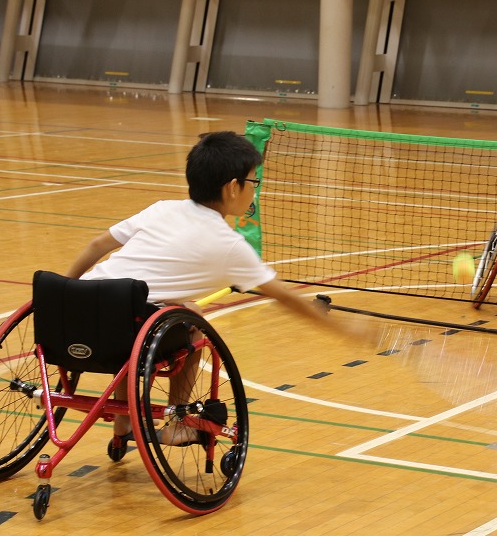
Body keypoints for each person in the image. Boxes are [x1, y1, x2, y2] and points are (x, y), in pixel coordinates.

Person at [66, 130, 352, 449]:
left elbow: (96, 246)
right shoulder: (229, 246)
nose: (254, 192)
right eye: (253, 183)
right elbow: (283, 296)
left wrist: (65, 291)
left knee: (173, 311)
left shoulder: (162, 208)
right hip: (130, 333)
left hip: (76, 322)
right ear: (233, 188)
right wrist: (342, 328)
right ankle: (176, 424)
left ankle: (124, 418)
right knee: (190, 325)